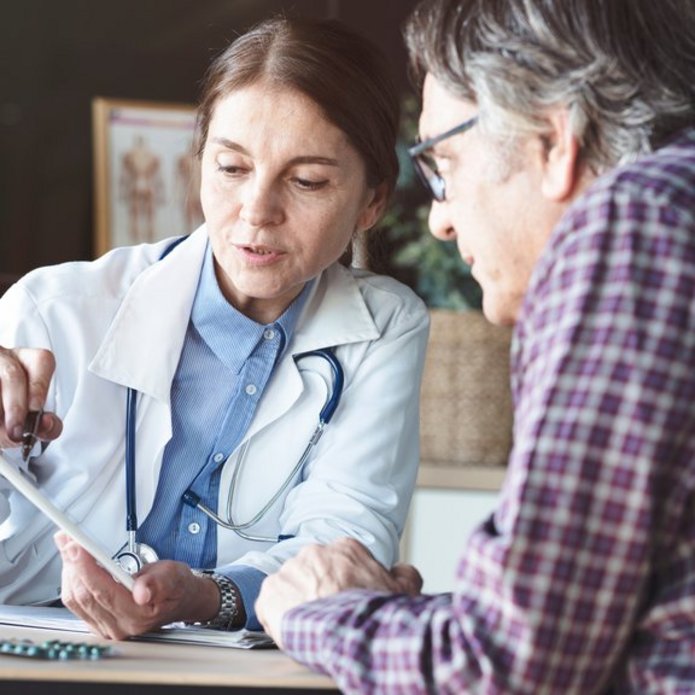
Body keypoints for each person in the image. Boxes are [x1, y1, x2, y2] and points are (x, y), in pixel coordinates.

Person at [255, 0, 695, 691]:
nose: (439, 220)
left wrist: (324, 613)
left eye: (442, 163)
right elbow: (578, 628)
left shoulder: (633, 223)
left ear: (552, 140)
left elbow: (513, 663)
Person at [0, 17, 429, 639]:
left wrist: (206, 598)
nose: (257, 211)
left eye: (307, 181)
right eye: (231, 168)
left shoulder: (384, 328)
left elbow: (342, 554)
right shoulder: (53, 310)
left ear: (371, 201)